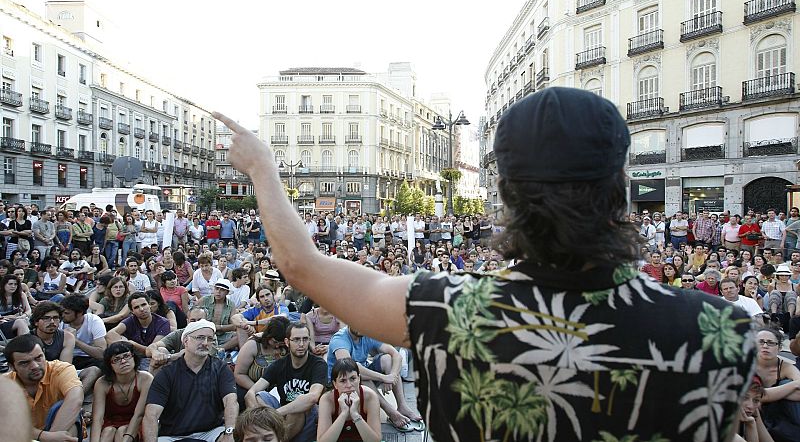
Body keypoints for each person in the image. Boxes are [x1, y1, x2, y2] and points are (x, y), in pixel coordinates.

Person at [214, 87, 756, 442]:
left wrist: (262, 167)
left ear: (507, 199)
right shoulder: (724, 331)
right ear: (620, 189)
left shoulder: (444, 309)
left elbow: (301, 264)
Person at [143, 319, 238, 442]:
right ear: (185, 341)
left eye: (210, 339)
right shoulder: (167, 373)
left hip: (211, 433)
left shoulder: (221, 368)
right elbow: (151, 414)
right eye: (200, 337)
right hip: (172, 437)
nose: (205, 343)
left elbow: (231, 402)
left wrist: (229, 433)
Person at [326, 326, 420, 431]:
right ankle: (391, 413)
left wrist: (392, 376)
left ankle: (402, 406)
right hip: (342, 383)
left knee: (388, 359)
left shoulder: (367, 333)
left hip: (359, 377)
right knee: (360, 377)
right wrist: (384, 378)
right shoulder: (340, 340)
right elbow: (351, 369)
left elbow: (396, 355)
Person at [244, 322, 326, 442]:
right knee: (258, 396)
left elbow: (313, 397)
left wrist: (275, 414)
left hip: (307, 416)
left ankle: (279, 439)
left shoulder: (318, 364)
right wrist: (265, 415)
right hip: (282, 418)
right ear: (287, 342)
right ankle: (268, 433)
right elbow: (251, 393)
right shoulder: (279, 365)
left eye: (305, 339)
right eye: (297, 340)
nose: (301, 344)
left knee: (299, 404)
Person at [3, 334, 84, 442]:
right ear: (12, 367)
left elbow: (75, 399)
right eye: (25, 363)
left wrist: (51, 437)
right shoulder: (5, 384)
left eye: (38, 358)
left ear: (44, 353)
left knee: (68, 422)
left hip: (58, 430)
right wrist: (43, 436)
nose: (35, 366)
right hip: (25, 435)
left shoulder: (61, 369)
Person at [91, 342, 153, 442]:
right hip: (110, 423)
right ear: (109, 365)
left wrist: (126, 439)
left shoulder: (145, 379)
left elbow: (139, 415)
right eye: (116, 359)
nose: (123, 361)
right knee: (108, 432)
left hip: (136, 424)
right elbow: (97, 419)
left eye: (127, 356)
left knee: (122, 431)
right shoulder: (102, 383)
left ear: (134, 357)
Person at [316, 357, 381, 442]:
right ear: (335, 384)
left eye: (353, 379)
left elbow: (375, 440)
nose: (349, 385)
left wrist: (355, 414)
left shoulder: (370, 397)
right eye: (343, 381)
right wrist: (343, 414)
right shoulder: (327, 399)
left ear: (359, 379)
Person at [233, 315, 289, 404]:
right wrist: (258, 389)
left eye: (281, 343)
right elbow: (239, 374)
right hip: (252, 386)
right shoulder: (253, 345)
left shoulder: (288, 346)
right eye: (275, 342)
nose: (277, 346)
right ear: (268, 336)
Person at [0, 273, 31, 339]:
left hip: (17, 319)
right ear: (4, 285)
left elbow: (28, 310)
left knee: (23, 321)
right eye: (10, 284)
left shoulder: (21, 295)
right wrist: (10, 317)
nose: (13, 286)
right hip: (2, 323)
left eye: (15, 284)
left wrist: (22, 316)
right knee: (20, 322)